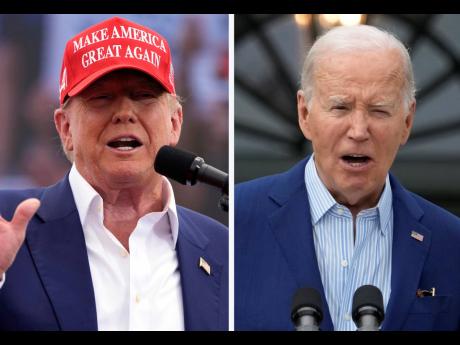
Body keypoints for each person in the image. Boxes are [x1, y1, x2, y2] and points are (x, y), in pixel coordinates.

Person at [0, 16, 228, 331]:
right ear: (65, 128)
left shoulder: (224, 251)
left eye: (144, 96)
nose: (124, 113)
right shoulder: (7, 224)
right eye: (101, 98)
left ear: (175, 123)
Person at [235, 24, 460, 331]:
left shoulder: (451, 243)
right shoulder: (236, 221)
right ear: (304, 114)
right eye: (340, 107)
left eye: (379, 110)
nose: (358, 131)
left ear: (407, 122)